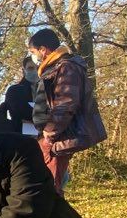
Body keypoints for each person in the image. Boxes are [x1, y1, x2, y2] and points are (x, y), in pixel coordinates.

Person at [27, 28, 107, 195]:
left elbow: (65, 104)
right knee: (49, 184)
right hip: (59, 135)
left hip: (61, 136)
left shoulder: (66, 67)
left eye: (33, 52)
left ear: (43, 49)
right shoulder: (56, 68)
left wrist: (50, 133)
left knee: (49, 188)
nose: (34, 57)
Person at [3, 56, 38, 133]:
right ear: (24, 70)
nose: (36, 71)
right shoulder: (14, 91)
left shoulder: (50, 88)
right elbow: (22, 113)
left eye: (38, 68)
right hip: (26, 139)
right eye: (31, 68)